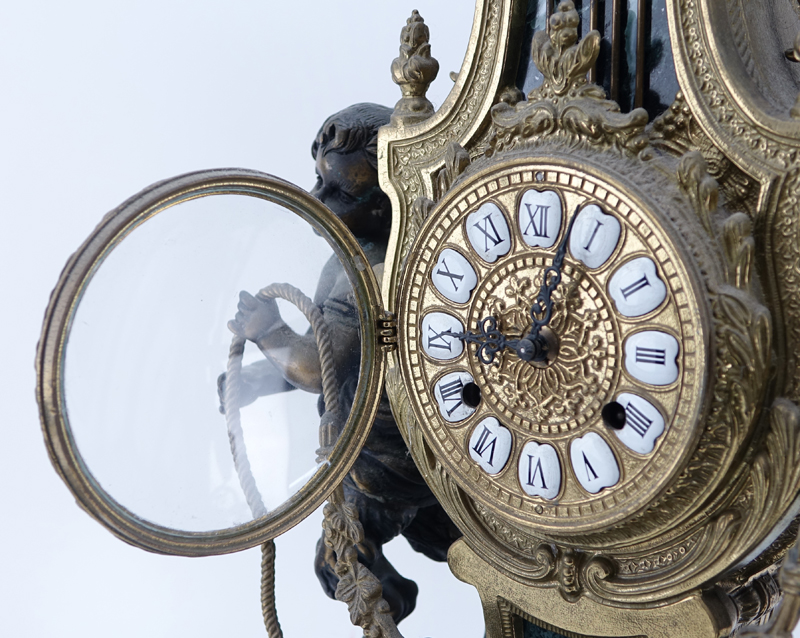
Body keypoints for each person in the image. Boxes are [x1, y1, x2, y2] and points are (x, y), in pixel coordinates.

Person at [221, 102, 461, 623]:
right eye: (319, 183)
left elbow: (315, 365)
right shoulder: (345, 260)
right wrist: (264, 378)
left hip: (386, 456)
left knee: (341, 555)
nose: (317, 201)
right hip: (371, 449)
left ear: (385, 205)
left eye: (340, 194)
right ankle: (387, 594)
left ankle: (386, 602)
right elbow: (329, 353)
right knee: (357, 554)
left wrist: (269, 332)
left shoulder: (374, 270)